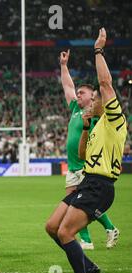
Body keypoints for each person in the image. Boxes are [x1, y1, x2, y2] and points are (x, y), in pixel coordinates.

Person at [45, 28, 127, 273]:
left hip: (99, 186)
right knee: (52, 227)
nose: (89, 105)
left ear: (103, 101)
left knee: (66, 232)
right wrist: (84, 129)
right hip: (87, 181)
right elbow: (81, 156)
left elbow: (105, 84)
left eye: (94, 101)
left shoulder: (114, 119)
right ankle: (87, 266)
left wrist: (99, 50)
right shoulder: (91, 125)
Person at [59, 49, 119, 250]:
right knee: (75, 203)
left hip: (87, 168)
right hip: (72, 167)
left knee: (80, 203)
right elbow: (67, 86)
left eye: (82, 93)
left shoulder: (98, 117)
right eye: (78, 93)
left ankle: (87, 240)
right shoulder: (76, 110)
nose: (77, 94)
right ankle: (109, 228)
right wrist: (64, 66)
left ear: (91, 97)